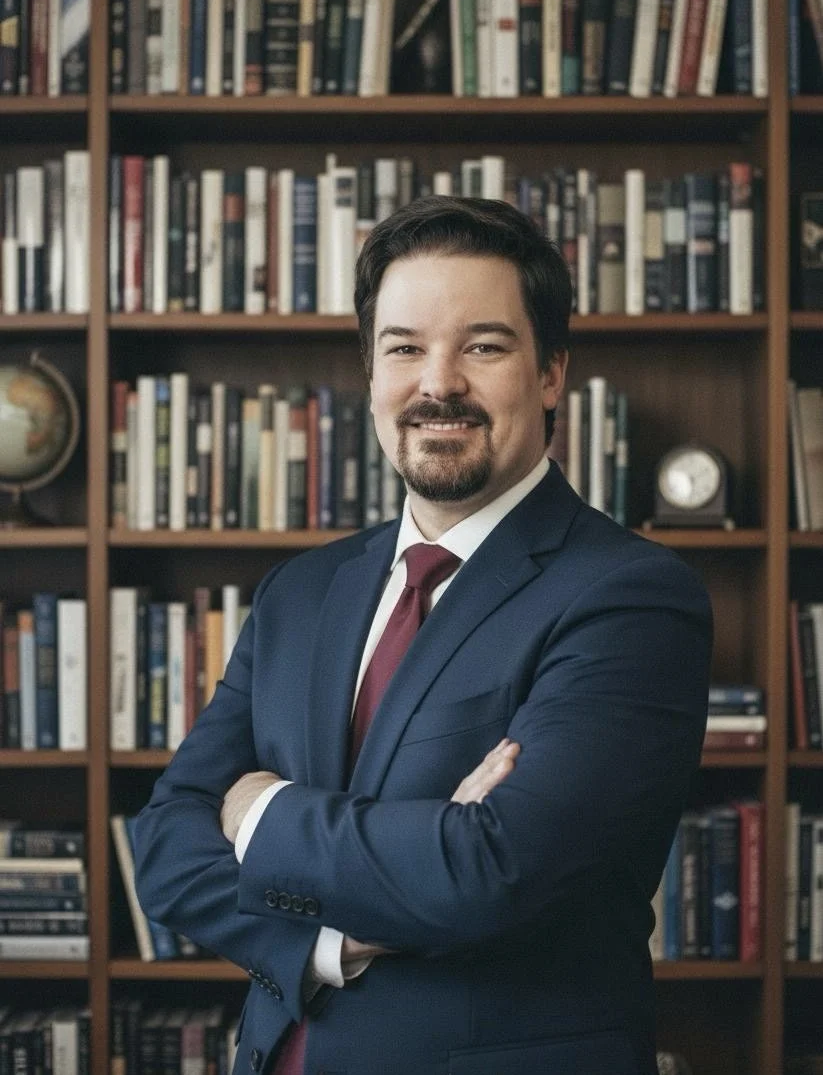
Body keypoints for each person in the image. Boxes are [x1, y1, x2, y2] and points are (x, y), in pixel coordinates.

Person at [134, 196, 712, 1075]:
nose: (438, 382)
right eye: (404, 347)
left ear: (551, 373)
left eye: (482, 345)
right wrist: (338, 938)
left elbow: (492, 870)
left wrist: (259, 810)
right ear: (370, 374)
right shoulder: (302, 590)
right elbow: (168, 845)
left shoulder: (630, 596)